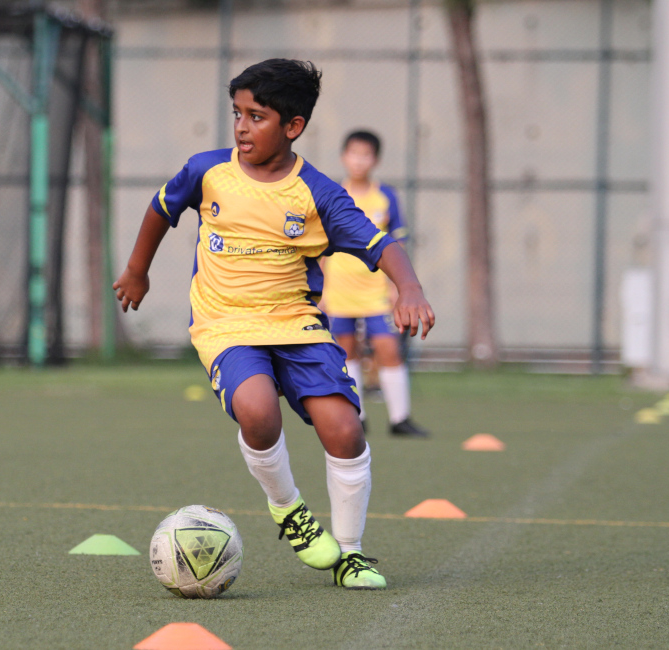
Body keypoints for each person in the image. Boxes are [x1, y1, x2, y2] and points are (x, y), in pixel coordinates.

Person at [113, 59, 434, 590]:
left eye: (256, 116)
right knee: (258, 410)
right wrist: (136, 270)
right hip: (226, 323)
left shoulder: (318, 193)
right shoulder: (206, 170)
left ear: (293, 127)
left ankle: (350, 555)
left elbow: (380, 245)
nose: (241, 127)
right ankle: (290, 511)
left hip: (298, 325)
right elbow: (160, 209)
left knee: (346, 430)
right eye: (237, 113)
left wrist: (411, 288)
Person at [321, 130, 430, 438]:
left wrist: (399, 286)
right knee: (346, 351)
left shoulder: (386, 197)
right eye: (353, 153)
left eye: (366, 155)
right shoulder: (331, 193)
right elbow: (319, 248)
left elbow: (398, 244)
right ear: (344, 157)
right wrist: (320, 291)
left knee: (388, 349)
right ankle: (358, 415)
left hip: (376, 292)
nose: (359, 160)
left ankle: (400, 419)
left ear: (375, 160)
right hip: (338, 291)